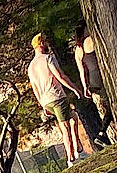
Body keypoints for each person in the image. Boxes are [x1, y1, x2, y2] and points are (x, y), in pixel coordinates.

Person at [27, 34, 90, 163]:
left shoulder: (31, 67)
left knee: (73, 118)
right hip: (57, 97)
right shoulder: (48, 58)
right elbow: (60, 76)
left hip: (46, 101)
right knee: (65, 127)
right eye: (44, 42)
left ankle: (78, 149)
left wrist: (42, 105)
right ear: (40, 45)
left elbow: (35, 88)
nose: (47, 44)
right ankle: (71, 158)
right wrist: (75, 89)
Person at [72, 32, 112, 145]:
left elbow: (82, 71)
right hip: (102, 76)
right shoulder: (92, 39)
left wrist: (85, 87)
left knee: (111, 105)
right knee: (113, 105)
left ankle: (102, 133)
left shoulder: (78, 50)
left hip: (93, 81)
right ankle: (102, 133)